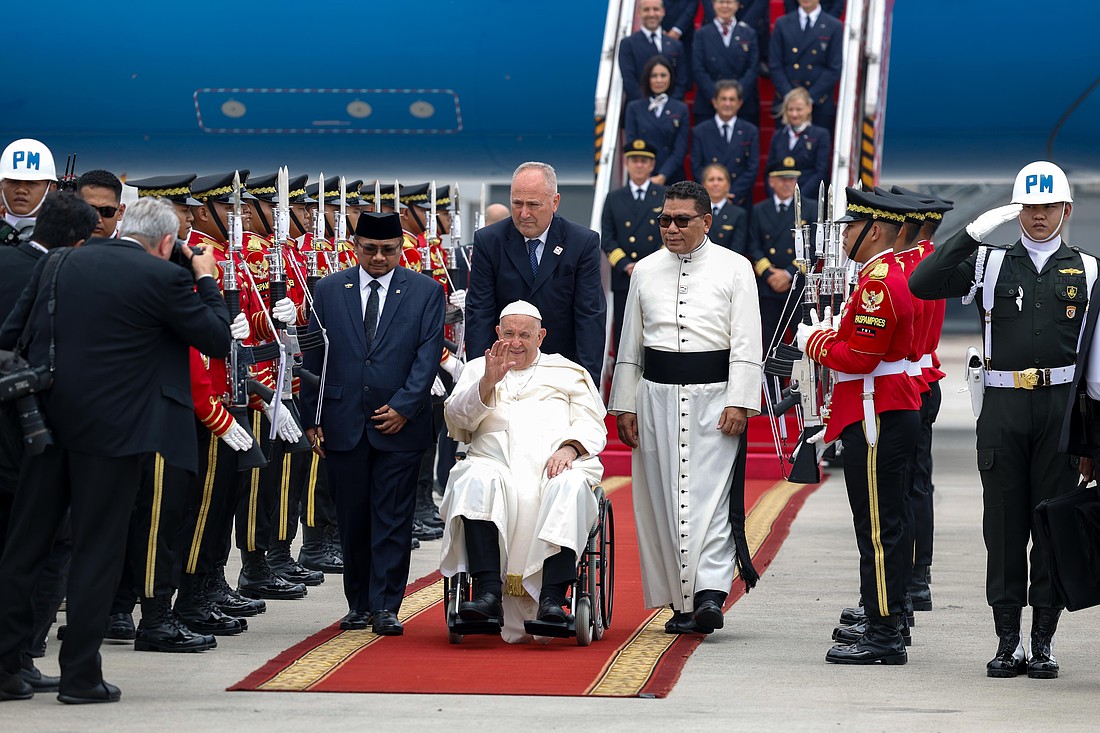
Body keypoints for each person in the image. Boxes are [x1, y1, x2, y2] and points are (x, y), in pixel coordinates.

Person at [0, 197, 231, 703]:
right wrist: (207, 277)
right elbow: (217, 337)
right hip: (115, 435)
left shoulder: (59, 260)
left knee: (25, 547)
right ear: (167, 242)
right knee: (96, 552)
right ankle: (80, 675)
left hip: (45, 424)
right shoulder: (166, 279)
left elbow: (11, 335)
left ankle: (5, 667)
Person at [912, 161, 1093, 680]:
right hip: (1003, 408)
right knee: (1006, 531)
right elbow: (924, 283)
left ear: (1066, 210)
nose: (1039, 216)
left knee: (1051, 528)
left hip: (1061, 410)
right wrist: (970, 234)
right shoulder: (988, 264)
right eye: (1029, 207)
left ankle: (1043, 643)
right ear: (1017, 210)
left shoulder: (1089, 269)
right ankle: (1007, 641)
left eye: (1048, 207)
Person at [609, 180, 762, 637]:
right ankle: (680, 602)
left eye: (681, 220)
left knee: (711, 499)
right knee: (662, 499)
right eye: (664, 220)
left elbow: (747, 339)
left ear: (706, 221)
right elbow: (630, 343)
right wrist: (623, 405)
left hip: (715, 397)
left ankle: (711, 593)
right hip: (654, 396)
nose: (670, 228)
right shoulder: (644, 271)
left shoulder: (736, 268)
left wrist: (740, 399)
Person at [300, 211, 444, 637]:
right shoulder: (327, 290)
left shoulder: (424, 291)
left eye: (388, 250)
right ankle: (358, 604)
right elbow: (314, 359)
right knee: (353, 518)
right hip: (343, 423)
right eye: (369, 249)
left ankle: (386, 605)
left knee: (392, 518)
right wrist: (312, 417)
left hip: (400, 426)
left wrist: (404, 406)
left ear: (402, 248)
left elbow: (427, 354)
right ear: (354, 246)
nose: (379, 258)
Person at [799, 188, 920, 665]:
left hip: (877, 414)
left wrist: (815, 340)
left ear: (873, 231)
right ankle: (882, 616)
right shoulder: (879, 276)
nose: (844, 235)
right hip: (879, 409)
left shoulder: (878, 283)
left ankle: (885, 632)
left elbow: (859, 355)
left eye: (850, 227)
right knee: (879, 521)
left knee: (877, 526)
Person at [439, 301, 605, 642]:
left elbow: (592, 424)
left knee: (570, 485)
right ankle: (487, 595)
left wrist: (570, 447)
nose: (516, 342)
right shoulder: (477, 368)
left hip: (554, 466)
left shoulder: (568, 372)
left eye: (525, 335)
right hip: (494, 465)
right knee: (473, 478)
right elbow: (457, 421)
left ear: (541, 336)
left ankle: (553, 600)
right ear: (498, 333)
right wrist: (487, 382)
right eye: (509, 333)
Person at [0, 192, 97, 694]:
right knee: (46, 544)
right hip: (35, 428)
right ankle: (18, 657)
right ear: (79, 241)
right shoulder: (68, 276)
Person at [465, 162, 606, 385]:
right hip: (504, 369)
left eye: (533, 204)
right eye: (517, 203)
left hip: (561, 368)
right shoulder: (489, 241)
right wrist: (479, 377)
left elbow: (589, 316)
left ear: (555, 202)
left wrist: (587, 382)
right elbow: (480, 312)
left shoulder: (582, 242)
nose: (524, 213)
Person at [602, 139, 666, 353]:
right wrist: (627, 265)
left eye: (644, 161)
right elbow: (607, 238)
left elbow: (670, 235)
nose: (639, 165)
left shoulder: (664, 195)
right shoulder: (613, 198)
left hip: (658, 274)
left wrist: (650, 265)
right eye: (634, 160)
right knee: (625, 334)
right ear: (627, 164)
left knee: (657, 330)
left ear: (652, 165)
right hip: (625, 277)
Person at [748, 158, 815, 355]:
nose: (787, 184)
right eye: (783, 179)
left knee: (799, 342)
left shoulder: (808, 208)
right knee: (770, 343)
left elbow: (811, 248)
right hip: (769, 288)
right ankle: (769, 384)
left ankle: (797, 385)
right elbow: (753, 245)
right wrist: (770, 274)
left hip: (797, 285)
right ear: (771, 181)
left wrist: (787, 274)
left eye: (791, 179)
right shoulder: (759, 209)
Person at [768, 0, 843, 132]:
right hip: (787, 101)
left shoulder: (834, 26)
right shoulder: (782, 24)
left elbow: (834, 68)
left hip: (818, 101)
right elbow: (775, 64)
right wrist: (791, 98)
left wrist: (808, 100)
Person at [690, 80, 760, 212]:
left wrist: (732, 194)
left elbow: (752, 167)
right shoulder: (700, 131)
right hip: (709, 200)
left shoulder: (750, 131)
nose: (727, 104)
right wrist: (714, 193)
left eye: (732, 99)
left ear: (739, 103)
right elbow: (696, 166)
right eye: (723, 99)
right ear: (715, 102)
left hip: (739, 199)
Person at [624, 55, 691, 185]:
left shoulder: (681, 109)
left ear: (670, 78)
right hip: (642, 177)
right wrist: (644, 174)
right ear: (647, 79)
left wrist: (663, 175)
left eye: (663, 75)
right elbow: (632, 144)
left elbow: (680, 149)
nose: (659, 80)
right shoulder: (634, 108)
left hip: (672, 177)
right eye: (654, 76)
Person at [692, 0, 760, 126]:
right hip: (709, 104)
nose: (725, 6)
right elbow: (698, 69)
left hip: (742, 105)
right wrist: (718, 98)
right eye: (721, 2)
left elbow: (753, 68)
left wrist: (735, 98)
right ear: (713, 5)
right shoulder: (701, 34)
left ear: (737, 5)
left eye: (729, 2)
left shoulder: (749, 34)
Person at [618, 0, 689, 102]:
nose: (651, 14)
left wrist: (666, 105)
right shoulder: (628, 44)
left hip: (670, 109)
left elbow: (681, 80)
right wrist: (648, 104)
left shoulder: (676, 45)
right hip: (639, 109)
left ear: (663, 12)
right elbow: (629, 80)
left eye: (656, 9)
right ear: (639, 13)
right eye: (646, 10)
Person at [765, 87, 831, 196]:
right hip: (780, 199)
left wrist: (797, 197)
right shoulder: (778, 135)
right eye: (790, 109)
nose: (794, 114)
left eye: (799, 109)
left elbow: (821, 172)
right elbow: (769, 170)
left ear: (809, 108)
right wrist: (777, 196)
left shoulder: (820, 135)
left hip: (807, 199)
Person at [0, 138, 58, 245]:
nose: (21, 190)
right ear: (0, 187)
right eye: (13, 182)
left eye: (31, 183)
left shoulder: (66, 238)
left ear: (51, 189)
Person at [700, 163, 748, 254]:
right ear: (703, 185)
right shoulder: (696, 211)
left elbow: (737, 249)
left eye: (720, 179)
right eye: (711, 179)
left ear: (728, 184)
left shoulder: (738, 214)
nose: (716, 183)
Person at [75, 170, 125, 239]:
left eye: (107, 211)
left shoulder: (133, 249)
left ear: (120, 212)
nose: (97, 219)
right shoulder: (59, 246)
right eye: (89, 210)